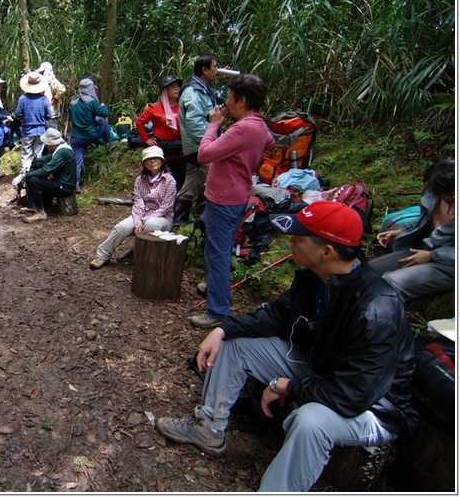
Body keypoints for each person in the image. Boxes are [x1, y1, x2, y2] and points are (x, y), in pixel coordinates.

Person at [156, 200, 418, 492]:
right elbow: (275, 316)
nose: (290, 242)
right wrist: (223, 328)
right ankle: (210, 428)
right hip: (322, 367)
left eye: (298, 238)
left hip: (372, 405)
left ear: (326, 251)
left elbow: (353, 393)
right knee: (234, 344)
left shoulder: (376, 310)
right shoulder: (317, 278)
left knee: (310, 422)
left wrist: (287, 386)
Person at [190, 74, 276, 329]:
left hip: (224, 198)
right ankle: (215, 287)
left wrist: (214, 125)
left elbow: (204, 154)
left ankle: (217, 310)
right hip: (238, 194)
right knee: (221, 246)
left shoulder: (241, 128)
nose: (224, 103)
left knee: (218, 252)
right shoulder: (258, 125)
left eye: (228, 98)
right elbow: (269, 143)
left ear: (241, 100)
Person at [370, 157, 455, 301]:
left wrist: (433, 256)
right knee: (368, 272)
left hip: (449, 264)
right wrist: (402, 230)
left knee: (391, 283)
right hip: (425, 248)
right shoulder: (435, 194)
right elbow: (425, 220)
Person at [90, 146, 175, 270]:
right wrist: (137, 219)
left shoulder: (169, 180)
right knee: (121, 227)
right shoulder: (140, 180)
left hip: (162, 218)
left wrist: (144, 220)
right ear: (144, 163)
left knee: (151, 225)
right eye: (149, 159)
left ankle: (148, 261)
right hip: (141, 214)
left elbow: (166, 207)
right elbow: (138, 202)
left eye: (156, 158)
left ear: (162, 161)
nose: (152, 161)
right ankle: (102, 256)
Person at [174, 56, 227, 227]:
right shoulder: (193, 92)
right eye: (215, 66)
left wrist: (227, 84)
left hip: (196, 147)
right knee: (217, 177)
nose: (217, 70)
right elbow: (194, 123)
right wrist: (210, 143)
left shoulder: (203, 90)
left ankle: (179, 219)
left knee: (193, 179)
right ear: (204, 70)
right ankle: (202, 214)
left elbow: (221, 102)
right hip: (200, 147)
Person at [135, 76, 185, 191]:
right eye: (173, 87)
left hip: (181, 150)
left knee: (181, 177)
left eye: (178, 86)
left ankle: (178, 202)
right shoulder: (155, 107)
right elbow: (139, 122)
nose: (177, 89)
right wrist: (146, 139)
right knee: (161, 177)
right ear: (165, 91)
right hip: (162, 150)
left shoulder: (184, 106)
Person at [21, 128, 75, 223]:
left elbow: (45, 170)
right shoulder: (61, 148)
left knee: (33, 180)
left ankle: (40, 213)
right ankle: (36, 206)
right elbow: (49, 158)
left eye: (47, 143)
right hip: (59, 182)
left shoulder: (63, 152)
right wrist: (34, 160)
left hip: (65, 187)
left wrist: (25, 175)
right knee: (35, 175)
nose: (46, 146)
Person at [68, 78, 110, 192]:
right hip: (91, 135)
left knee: (78, 160)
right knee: (105, 124)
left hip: (77, 138)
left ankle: (75, 183)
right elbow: (104, 113)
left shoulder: (73, 103)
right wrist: (103, 106)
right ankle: (109, 145)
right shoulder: (92, 102)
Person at [15, 71, 52, 171]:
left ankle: (24, 173)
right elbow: (49, 115)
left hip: (27, 130)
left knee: (26, 153)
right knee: (38, 153)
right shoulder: (44, 99)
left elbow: (18, 114)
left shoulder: (23, 98)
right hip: (40, 130)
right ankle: (35, 172)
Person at [36, 61, 67, 129]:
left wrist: (55, 99)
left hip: (51, 113)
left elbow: (62, 89)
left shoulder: (53, 81)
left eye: (42, 72)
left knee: (52, 135)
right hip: (41, 114)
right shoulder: (42, 82)